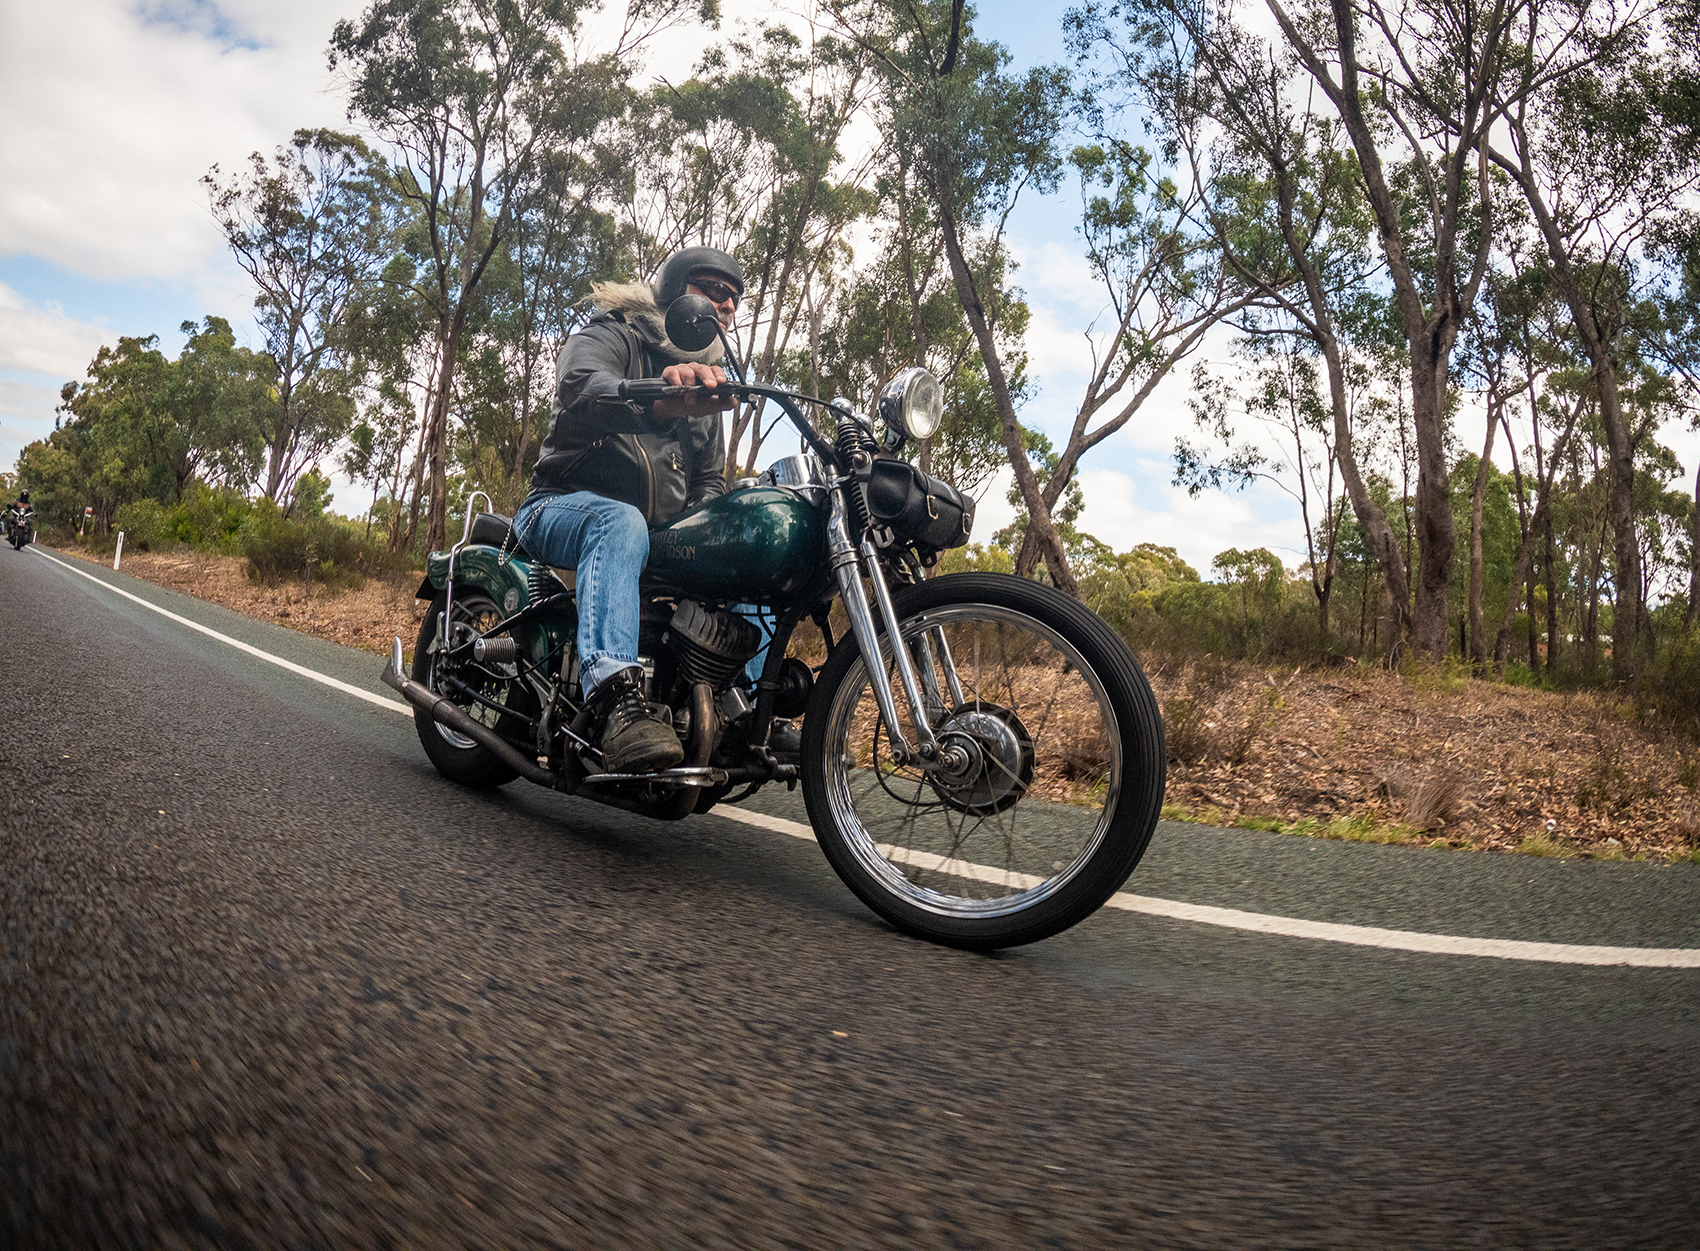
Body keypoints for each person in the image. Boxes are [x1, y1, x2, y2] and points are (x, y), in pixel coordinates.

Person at [513, 247, 742, 773]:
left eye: (734, 300)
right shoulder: (615, 335)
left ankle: (744, 707)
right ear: (673, 291)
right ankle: (614, 699)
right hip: (559, 506)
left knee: (745, 536)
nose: (726, 306)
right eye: (713, 289)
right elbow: (582, 386)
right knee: (620, 519)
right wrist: (658, 400)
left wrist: (709, 531)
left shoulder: (707, 382)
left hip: (653, 536)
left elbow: (710, 482)